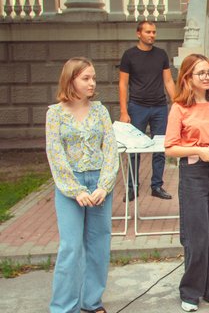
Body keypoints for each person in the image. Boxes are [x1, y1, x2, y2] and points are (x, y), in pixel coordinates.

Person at [46, 57, 119, 313]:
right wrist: (75, 190)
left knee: (99, 243)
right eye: (86, 78)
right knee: (71, 246)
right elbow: (55, 154)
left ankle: (91, 300)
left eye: (93, 78)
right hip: (70, 185)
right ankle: (64, 306)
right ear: (71, 80)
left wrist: (104, 185)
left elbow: (111, 149)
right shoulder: (54, 114)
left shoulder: (100, 110)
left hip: (99, 182)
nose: (92, 83)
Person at [164, 54, 209, 312]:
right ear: (187, 78)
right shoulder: (179, 108)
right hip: (193, 172)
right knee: (197, 236)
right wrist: (198, 150)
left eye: (208, 72)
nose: (207, 77)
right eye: (200, 73)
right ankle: (191, 292)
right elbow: (170, 147)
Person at [118, 21, 176, 201]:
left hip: (159, 107)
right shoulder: (129, 56)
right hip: (137, 107)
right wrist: (124, 111)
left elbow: (168, 81)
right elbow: (123, 84)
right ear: (138, 34)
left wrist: (177, 104)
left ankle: (157, 185)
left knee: (160, 147)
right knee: (134, 149)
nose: (152, 35)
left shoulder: (161, 54)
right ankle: (132, 187)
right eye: (148, 32)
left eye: (154, 32)